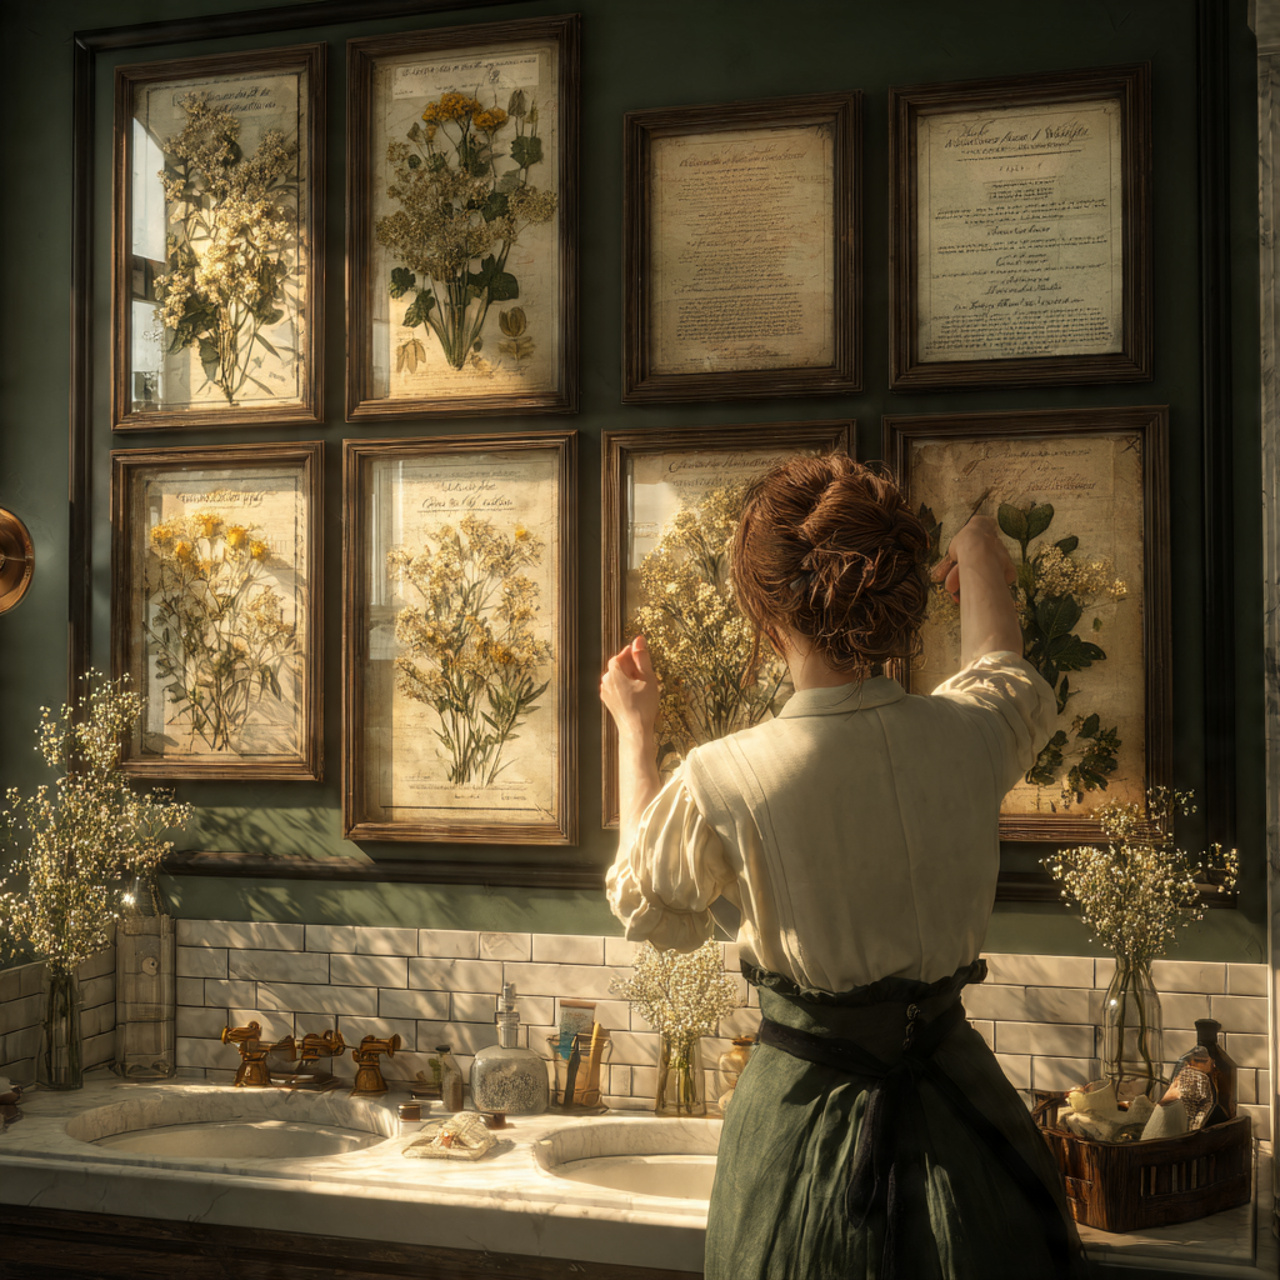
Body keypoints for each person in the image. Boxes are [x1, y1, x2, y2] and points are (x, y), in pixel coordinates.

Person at [600, 456, 1091, 1280]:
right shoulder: (967, 735)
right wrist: (976, 549)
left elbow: (652, 910)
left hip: (802, 1143)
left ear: (765, 612)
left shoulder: (726, 776)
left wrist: (635, 732)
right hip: (971, 1133)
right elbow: (1005, 667)